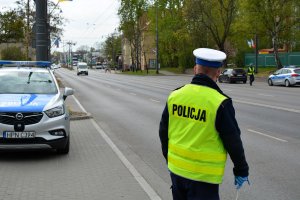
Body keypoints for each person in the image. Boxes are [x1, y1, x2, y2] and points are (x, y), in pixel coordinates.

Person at [159, 48, 249, 200]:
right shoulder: (220, 102)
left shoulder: (175, 95)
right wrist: (241, 170)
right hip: (203, 179)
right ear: (218, 72)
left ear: (195, 69)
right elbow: (233, 140)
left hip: (177, 172)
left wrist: (170, 160)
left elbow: (163, 132)